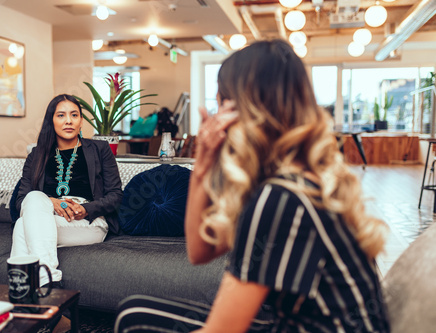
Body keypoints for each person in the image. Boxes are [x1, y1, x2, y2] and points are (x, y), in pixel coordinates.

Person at [114, 40, 390, 332]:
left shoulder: (282, 198)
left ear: (239, 110)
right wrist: (202, 164)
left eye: (219, 102)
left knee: (134, 323)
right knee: (136, 313)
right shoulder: (290, 180)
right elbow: (198, 251)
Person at [10, 94, 123, 288]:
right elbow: (21, 201)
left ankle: (29, 293)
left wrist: (86, 208)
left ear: (81, 121)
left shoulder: (99, 149)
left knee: (23, 226)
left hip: (88, 222)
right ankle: (45, 289)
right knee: (33, 198)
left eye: (74, 115)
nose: (68, 121)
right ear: (51, 121)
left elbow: (116, 195)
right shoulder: (36, 155)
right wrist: (51, 201)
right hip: (47, 216)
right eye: (61, 115)